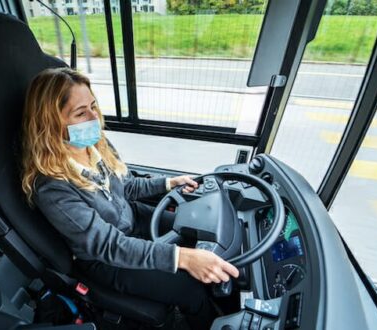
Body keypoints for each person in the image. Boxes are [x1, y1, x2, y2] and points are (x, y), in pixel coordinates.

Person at [21, 67, 239, 329]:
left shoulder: (94, 144)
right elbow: (109, 245)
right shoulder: (52, 188)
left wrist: (168, 183)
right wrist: (183, 258)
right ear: (50, 122)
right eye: (80, 113)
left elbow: (125, 186)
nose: (94, 118)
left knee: (204, 234)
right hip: (107, 259)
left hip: (132, 218)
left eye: (93, 106)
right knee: (191, 290)